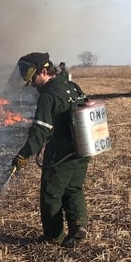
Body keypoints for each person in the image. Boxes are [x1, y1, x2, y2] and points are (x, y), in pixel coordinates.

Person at [11, 52, 90, 247]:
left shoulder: (48, 96)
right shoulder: (71, 86)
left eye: (33, 78)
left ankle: (54, 236)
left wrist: (23, 154)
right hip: (81, 149)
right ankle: (78, 226)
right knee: (73, 188)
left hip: (60, 154)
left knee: (51, 195)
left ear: (44, 71)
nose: (31, 84)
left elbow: (40, 131)